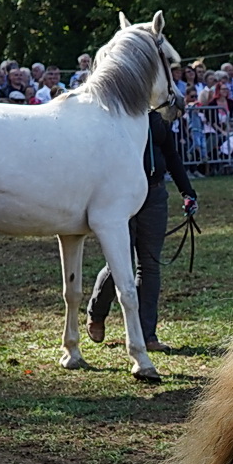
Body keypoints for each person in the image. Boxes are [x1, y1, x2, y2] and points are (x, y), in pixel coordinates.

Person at [85, 110, 199, 353]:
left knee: (149, 265)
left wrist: (188, 192)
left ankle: (147, 335)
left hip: (154, 195)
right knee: (118, 263)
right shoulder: (116, 116)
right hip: (120, 196)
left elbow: (171, 155)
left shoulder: (158, 120)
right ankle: (97, 311)